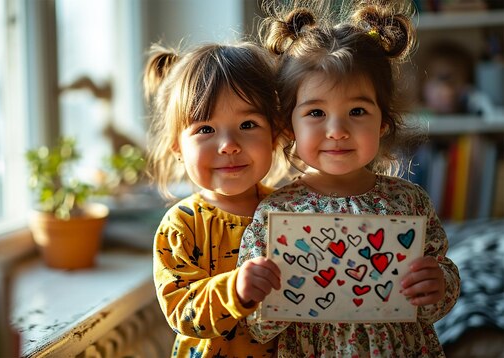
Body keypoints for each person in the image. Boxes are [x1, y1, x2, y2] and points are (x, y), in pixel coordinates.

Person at [236, 1, 461, 356]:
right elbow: (259, 327)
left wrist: (438, 284)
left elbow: (437, 295)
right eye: (315, 112)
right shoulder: (276, 213)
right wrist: (252, 293)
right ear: (288, 124)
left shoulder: (409, 202)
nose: (337, 130)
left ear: (383, 122)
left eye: (357, 111)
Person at [144, 41, 292, 357]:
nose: (228, 145)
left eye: (248, 125)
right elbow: (182, 311)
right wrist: (235, 290)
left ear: (275, 134)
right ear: (177, 148)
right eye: (206, 129)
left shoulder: (292, 213)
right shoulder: (181, 225)